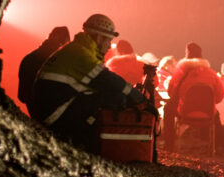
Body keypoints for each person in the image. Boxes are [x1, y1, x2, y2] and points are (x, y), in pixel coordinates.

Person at [31, 14, 150, 152]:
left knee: (103, 96)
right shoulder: (81, 54)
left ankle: (84, 140)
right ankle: (83, 141)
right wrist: (140, 99)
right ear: (99, 37)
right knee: (113, 98)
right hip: (55, 116)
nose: (109, 47)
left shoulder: (77, 49)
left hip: (51, 111)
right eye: (108, 41)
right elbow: (108, 80)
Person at [163, 42, 224, 152]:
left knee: (167, 109)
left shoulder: (180, 73)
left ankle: (169, 143)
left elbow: (170, 93)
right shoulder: (212, 74)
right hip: (208, 113)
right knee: (216, 114)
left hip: (185, 112)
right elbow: (220, 96)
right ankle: (219, 145)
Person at [17, 25, 70, 116]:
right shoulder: (57, 62)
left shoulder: (29, 58)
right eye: (64, 44)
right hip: (49, 113)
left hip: (34, 110)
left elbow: (22, 96)